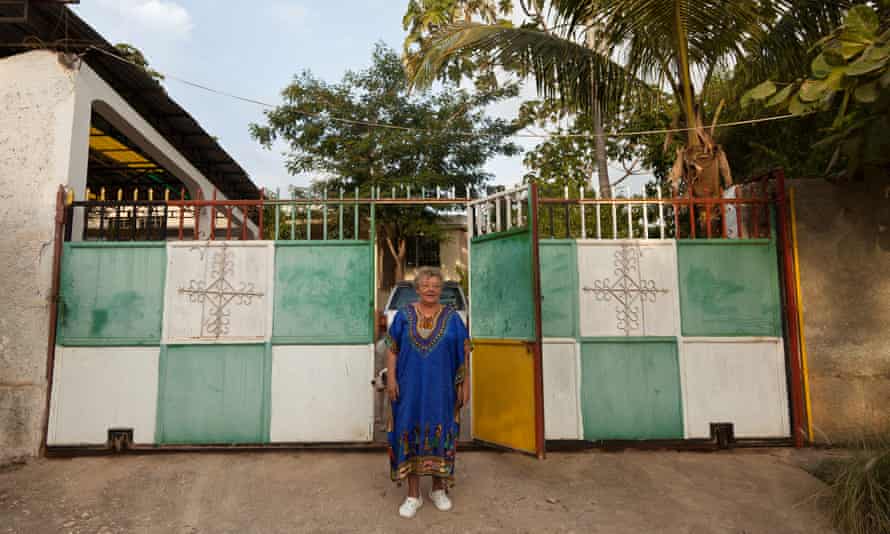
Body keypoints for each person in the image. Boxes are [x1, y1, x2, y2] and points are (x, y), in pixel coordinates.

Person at [384, 266, 471, 518]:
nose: (430, 289)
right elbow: (392, 348)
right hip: (408, 388)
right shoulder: (403, 315)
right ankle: (413, 495)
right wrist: (391, 379)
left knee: (441, 430)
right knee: (407, 431)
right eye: (425, 285)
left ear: (441, 289)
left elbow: (464, 353)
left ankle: (438, 489)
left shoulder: (453, 318)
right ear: (418, 289)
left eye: (435, 285)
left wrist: (465, 385)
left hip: (441, 390)